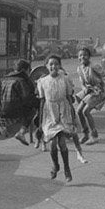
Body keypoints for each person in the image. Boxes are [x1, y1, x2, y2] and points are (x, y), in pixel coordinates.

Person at [36, 54, 80, 182]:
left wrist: (73, 118)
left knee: (62, 144)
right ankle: (56, 165)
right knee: (53, 146)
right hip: (49, 114)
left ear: (59, 65)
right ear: (46, 66)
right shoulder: (42, 82)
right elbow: (42, 102)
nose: (53, 66)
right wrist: (40, 123)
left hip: (63, 112)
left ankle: (67, 169)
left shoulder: (65, 79)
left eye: (56, 64)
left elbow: (69, 99)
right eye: (51, 64)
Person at [0, 58, 38, 145]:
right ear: (25, 70)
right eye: (29, 70)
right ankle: (21, 133)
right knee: (32, 109)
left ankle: (2, 127)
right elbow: (28, 99)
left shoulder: (2, 79)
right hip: (11, 115)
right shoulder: (21, 81)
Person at [75, 46, 105, 144]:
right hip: (89, 92)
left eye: (85, 55)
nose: (83, 57)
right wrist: (84, 89)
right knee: (79, 111)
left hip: (98, 91)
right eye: (80, 55)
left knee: (86, 111)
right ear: (78, 57)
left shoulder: (94, 66)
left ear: (89, 57)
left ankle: (94, 136)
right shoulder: (79, 69)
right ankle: (85, 134)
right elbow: (83, 84)